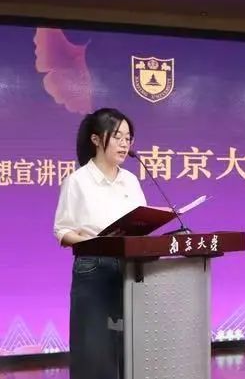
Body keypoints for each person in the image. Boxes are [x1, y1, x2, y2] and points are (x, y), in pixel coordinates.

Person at [53, 108, 146, 379]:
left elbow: (141, 221)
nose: (124, 144)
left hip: (131, 267)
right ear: (96, 139)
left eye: (128, 138)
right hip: (94, 267)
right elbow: (63, 231)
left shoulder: (131, 180)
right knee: (94, 349)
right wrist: (97, 242)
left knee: (131, 346)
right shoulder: (77, 181)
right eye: (117, 137)